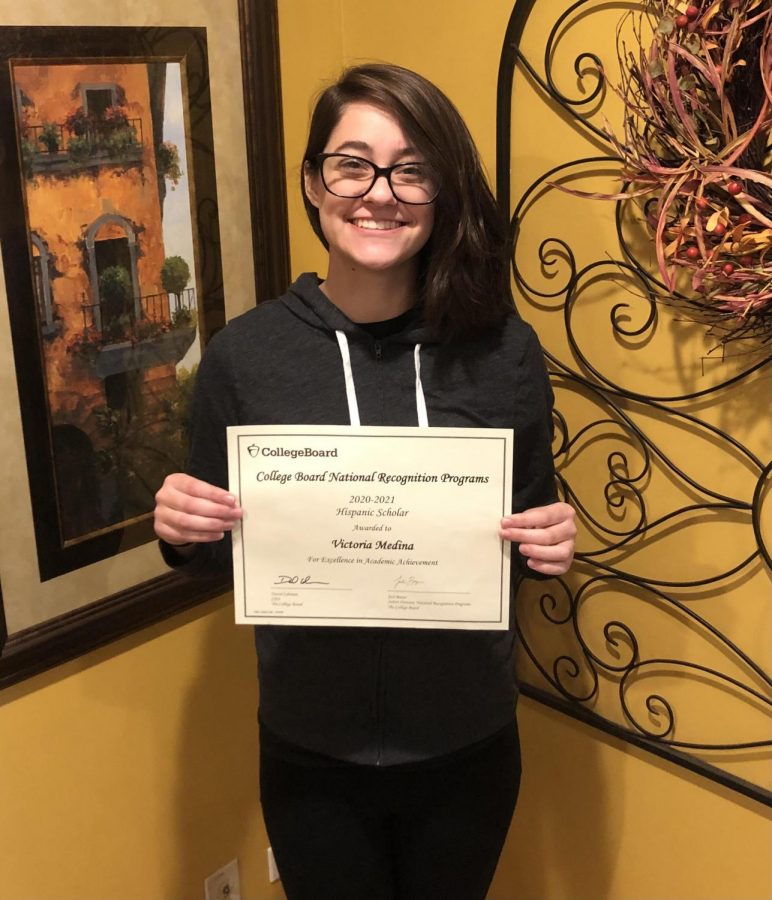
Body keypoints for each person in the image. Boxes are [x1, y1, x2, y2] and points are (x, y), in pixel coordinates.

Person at [154, 63, 576, 900]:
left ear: (441, 192)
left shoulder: (503, 354)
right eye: (352, 164)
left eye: (412, 169)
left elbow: (524, 537)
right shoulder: (247, 357)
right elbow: (215, 557)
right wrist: (180, 527)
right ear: (314, 183)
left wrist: (552, 540)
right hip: (312, 755)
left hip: (468, 748)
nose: (379, 192)